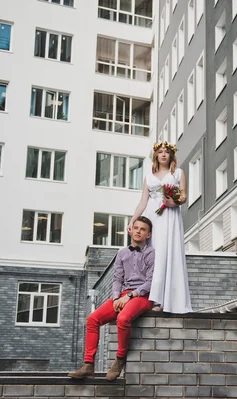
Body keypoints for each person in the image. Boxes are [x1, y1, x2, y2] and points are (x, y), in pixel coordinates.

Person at [68, 216, 155, 381]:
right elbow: (117, 279)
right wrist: (116, 298)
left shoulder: (151, 254)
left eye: (143, 229)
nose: (138, 231)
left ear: (148, 235)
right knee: (93, 319)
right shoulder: (121, 253)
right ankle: (88, 365)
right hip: (122, 296)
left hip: (143, 296)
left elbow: (151, 282)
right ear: (131, 230)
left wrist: (130, 295)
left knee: (122, 318)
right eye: (136, 228)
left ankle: (119, 360)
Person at [128, 141, 192, 314]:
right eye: (160, 151)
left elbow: (184, 196)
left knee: (167, 252)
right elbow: (143, 202)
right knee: (153, 253)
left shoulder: (178, 173)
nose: (163, 154)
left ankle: (165, 299)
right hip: (152, 216)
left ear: (171, 155)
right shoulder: (148, 177)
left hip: (169, 216)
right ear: (156, 155)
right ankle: (151, 297)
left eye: (166, 152)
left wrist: (173, 202)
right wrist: (133, 220)